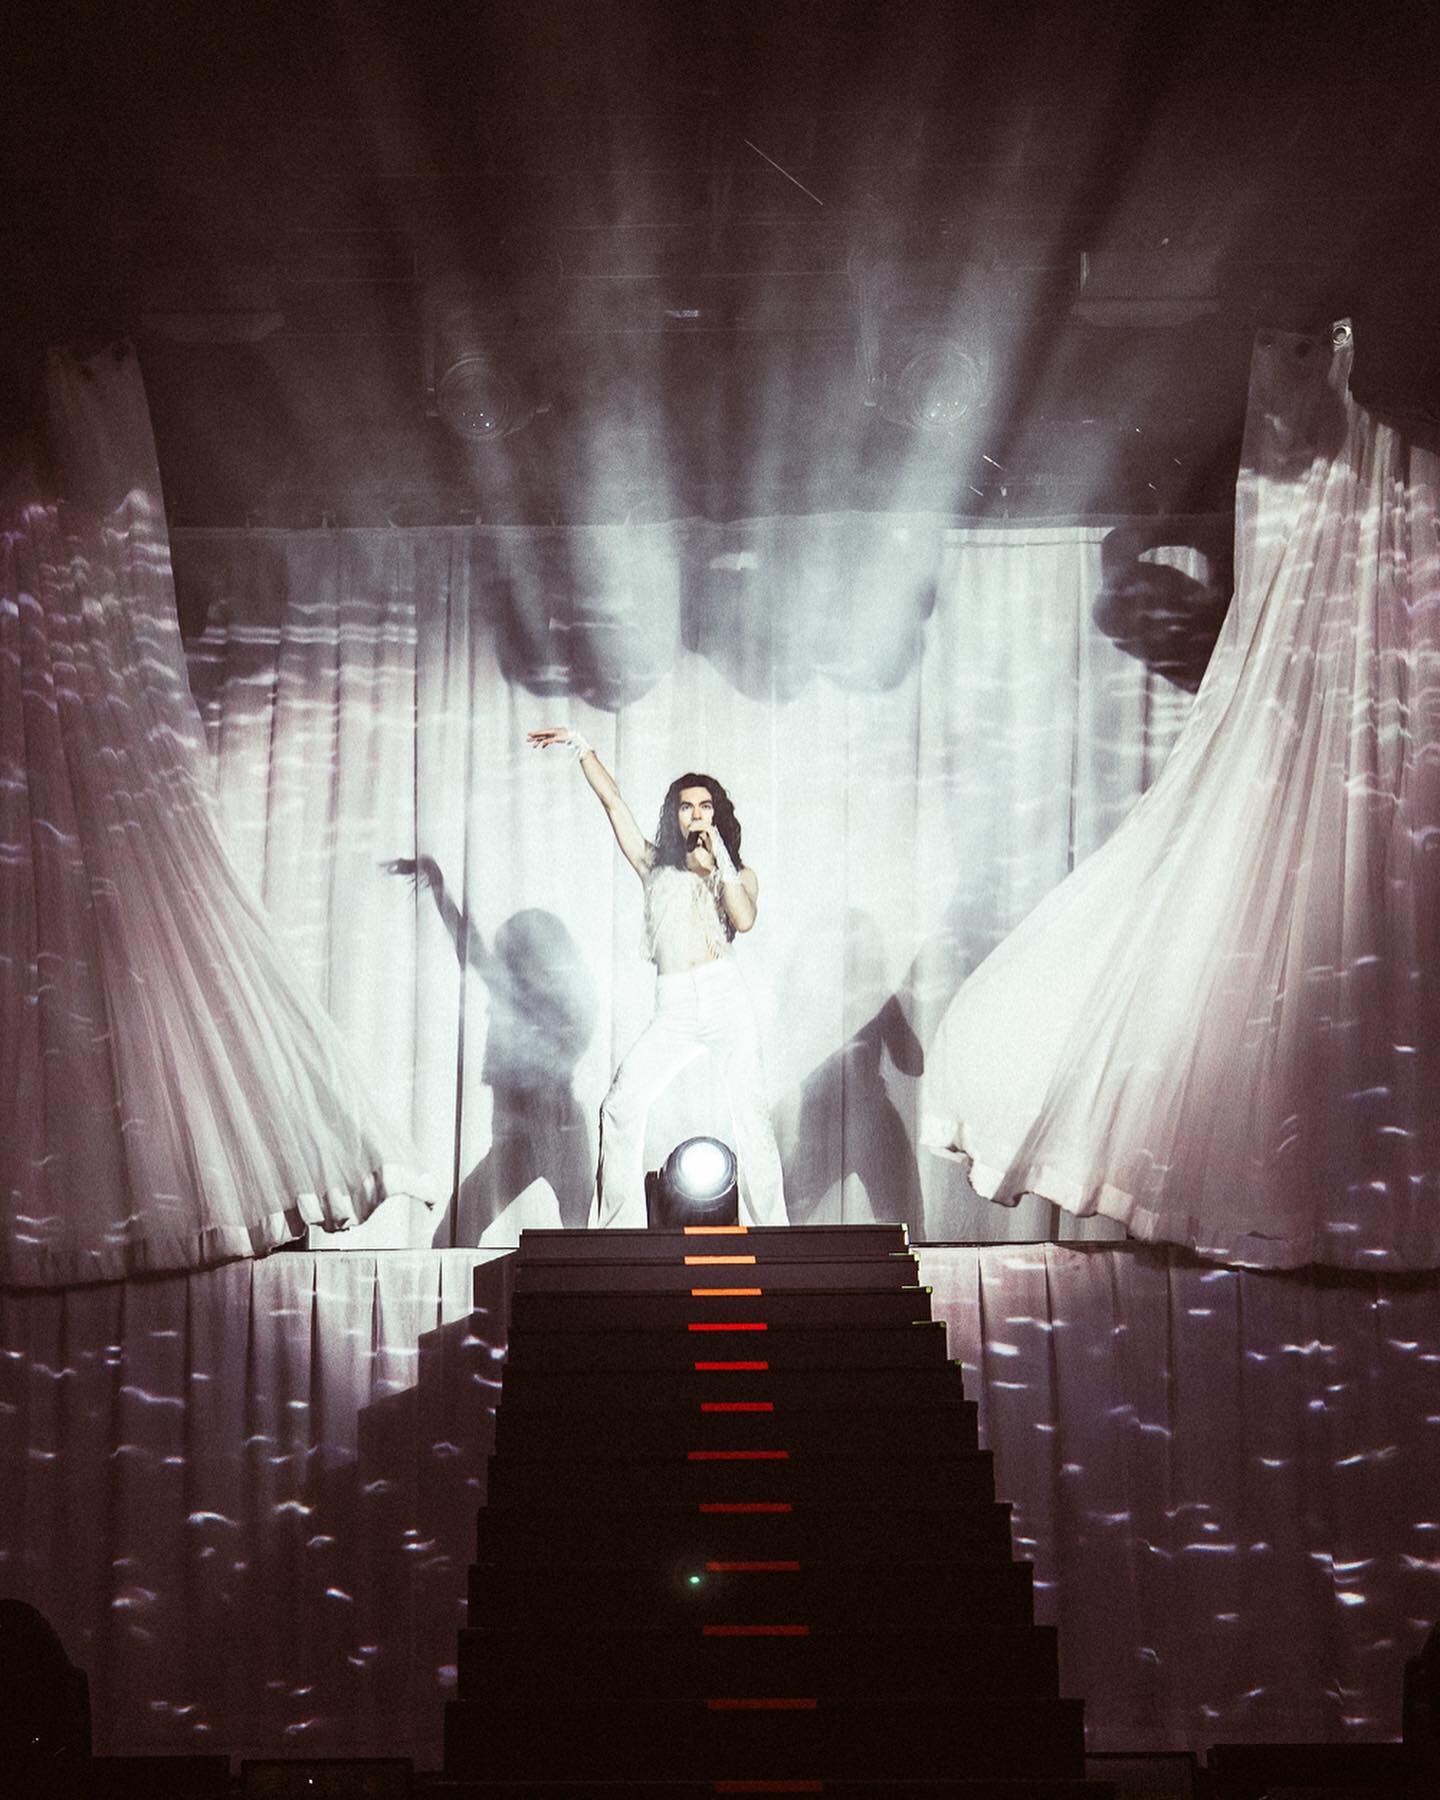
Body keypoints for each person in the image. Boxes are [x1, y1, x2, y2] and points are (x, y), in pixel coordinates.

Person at [528, 726, 787, 1228]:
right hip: (674, 1005)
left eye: (705, 806)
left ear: (717, 815)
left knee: (751, 1113)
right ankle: (615, 1228)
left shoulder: (738, 872)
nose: (696, 814)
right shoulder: (654, 865)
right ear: (675, 814)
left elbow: (745, 919)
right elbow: (614, 805)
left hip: (724, 998)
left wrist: (722, 861)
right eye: (687, 806)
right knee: (621, 1104)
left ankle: (771, 1228)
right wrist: (583, 746)